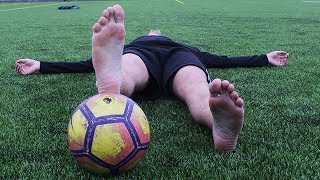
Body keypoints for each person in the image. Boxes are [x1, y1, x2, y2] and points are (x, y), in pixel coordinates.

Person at [15, 4, 288, 152]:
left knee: (194, 84)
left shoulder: (182, 46)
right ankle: (116, 82)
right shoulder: (139, 42)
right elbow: (88, 64)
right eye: (153, 30)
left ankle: (217, 119)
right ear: (151, 33)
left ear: (158, 34)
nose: (155, 31)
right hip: (144, 55)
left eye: (156, 31)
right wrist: (41, 65)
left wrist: (265, 57)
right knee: (132, 67)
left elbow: (225, 60)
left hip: (176, 57)